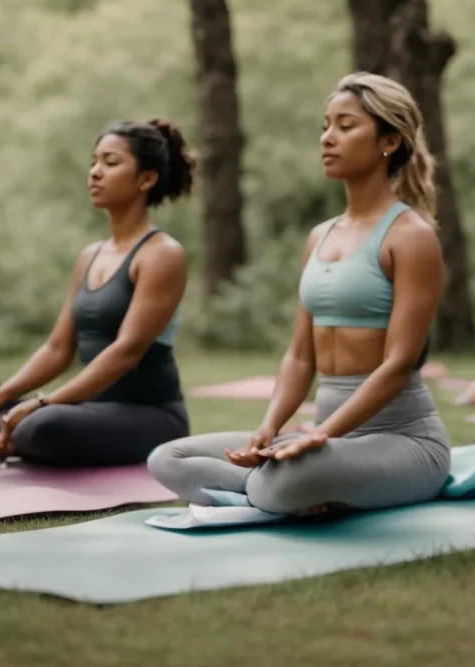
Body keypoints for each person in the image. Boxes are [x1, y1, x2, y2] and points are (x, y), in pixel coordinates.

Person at [148, 72, 450, 516]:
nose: (328, 138)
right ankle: (293, 489)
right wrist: (269, 428)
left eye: (346, 126)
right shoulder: (320, 236)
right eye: (325, 126)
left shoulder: (411, 236)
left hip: (403, 440)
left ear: (389, 141)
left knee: (282, 484)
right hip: (327, 438)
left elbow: (399, 363)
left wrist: (320, 434)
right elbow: (300, 357)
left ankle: (283, 490)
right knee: (167, 460)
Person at [0, 119, 194, 466]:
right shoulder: (90, 255)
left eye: (110, 162)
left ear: (146, 179)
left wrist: (45, 403)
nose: (95, 172)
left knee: (40, 426)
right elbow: (58, 348)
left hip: (149, 415)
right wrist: (1, 395)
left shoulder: (162, 254)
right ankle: (21, 437)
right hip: (88, 409)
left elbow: (126, 351)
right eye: (94, 162)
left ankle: (25, 438)